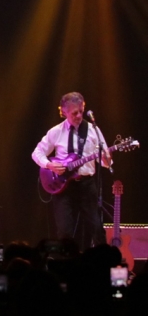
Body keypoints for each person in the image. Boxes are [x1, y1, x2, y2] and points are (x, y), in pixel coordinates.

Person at [32, 92, 111, 247]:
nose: (79, 116)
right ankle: (66, 260)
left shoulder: (93, 130)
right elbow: (37, 153)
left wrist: (106, 158)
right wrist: (49, 165)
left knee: (96, 228)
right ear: (64, 111)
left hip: (86, 185)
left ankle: (101, 259)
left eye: (81, 111)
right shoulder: (56, 131)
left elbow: (107, 162)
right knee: (65, 232)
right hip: (63, 188)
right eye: (75, 113)